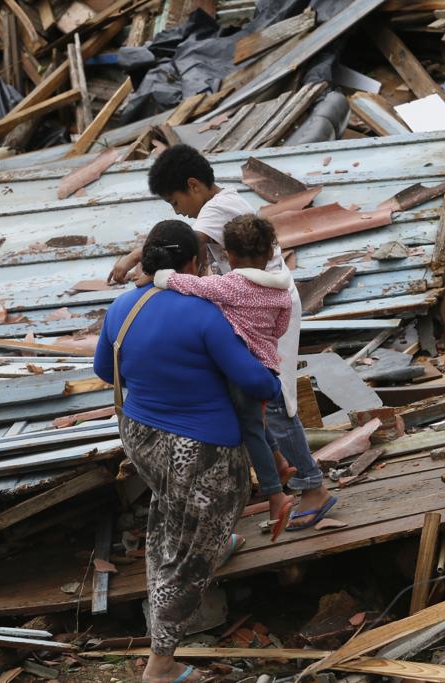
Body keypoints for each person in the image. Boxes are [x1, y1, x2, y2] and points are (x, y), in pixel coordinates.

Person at [109, 144, 336, 530]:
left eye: (175, 199)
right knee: (253, 400)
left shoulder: (217, 209)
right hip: (255, 306)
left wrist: (142, 265)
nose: (176, 208)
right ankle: (280, 467)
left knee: (276, 400)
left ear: (194, 185)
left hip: (264, 308)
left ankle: (313, 486)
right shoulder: (221, 205)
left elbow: (185, 241)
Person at [94, 220, 281, 683]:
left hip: (139, 436)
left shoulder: (122, 306)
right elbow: (257, 382)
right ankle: (161, 663)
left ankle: (214, 544)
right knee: (187, 556)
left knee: (172, 510)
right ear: (194, 264)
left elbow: (103, 369)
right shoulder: (204, 314)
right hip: (199, 451)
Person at [154, 214, 296, 540]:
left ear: (229, 255)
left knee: (249, 431)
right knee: (256, 423)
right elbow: (279, 328)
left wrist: (161, 277)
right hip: (268, 364)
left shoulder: (231, 285)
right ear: (269, 252)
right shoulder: (281, 292)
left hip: (243, 368)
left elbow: (194, 284)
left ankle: (276, 495)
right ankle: (280, 461)